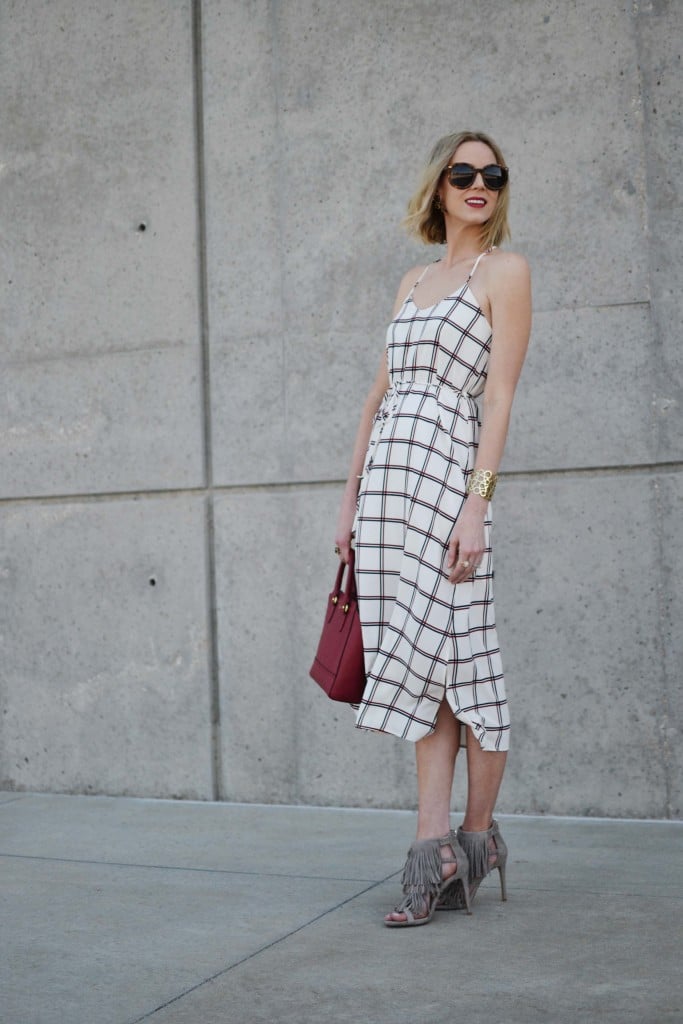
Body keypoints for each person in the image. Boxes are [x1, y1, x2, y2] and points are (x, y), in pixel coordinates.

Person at [334, 130, 532, 927]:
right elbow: (374, 399)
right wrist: (347, 504)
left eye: (492, 174)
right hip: (387, 494)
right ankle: (430, 850)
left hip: (449, 488)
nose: (478, 183)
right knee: (421, 671)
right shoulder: (413, 279)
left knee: (470, 665)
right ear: (439, 187)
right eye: (463, 173)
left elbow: (500, 399)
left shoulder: (505, 272)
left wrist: (477, 503)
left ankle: (473, 840)